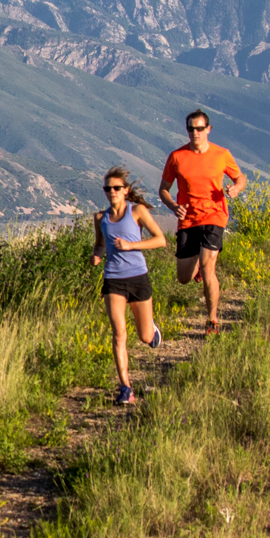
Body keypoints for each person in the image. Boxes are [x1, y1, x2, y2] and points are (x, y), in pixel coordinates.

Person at [157, 109, 246, 334]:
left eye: (199, 128)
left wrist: (236, 188)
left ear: (208, 129)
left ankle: (212, 320)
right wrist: (174, 207)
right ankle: (195, 267)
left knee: (209, 268)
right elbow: (164, 190)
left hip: (215, 216)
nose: (194, 133)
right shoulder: (176, 157)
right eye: (190, 129)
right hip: (188, 220)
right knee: (183, 278)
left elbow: (240, 177)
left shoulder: (221, 154)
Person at [91, 166, 166, 406]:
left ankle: (152, 330)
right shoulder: (100, 218)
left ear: (125, 191)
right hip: (113, 279)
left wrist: (131, 246)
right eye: (107, 189)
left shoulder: (137, 212)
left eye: (116, 188)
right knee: (119, 334)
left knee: (144, 337)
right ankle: (125, 387)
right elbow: (100, 244)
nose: (111, 192)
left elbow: (160, 240)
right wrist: (97, 255)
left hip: (138, 277)